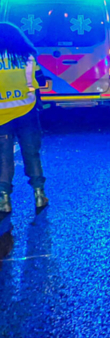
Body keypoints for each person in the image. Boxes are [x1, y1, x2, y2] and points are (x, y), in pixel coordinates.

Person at [0, 23, 48, 215]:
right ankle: (39, 195)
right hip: (26, 111)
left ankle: (3, 200)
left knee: (3, 156)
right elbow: (41, 80)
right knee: (31, 153)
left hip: (2, 115)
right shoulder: (28, 58)